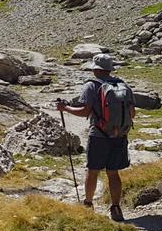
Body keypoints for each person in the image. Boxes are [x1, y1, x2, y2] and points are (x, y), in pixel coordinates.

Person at [57, 53, 135, 222]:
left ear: (96, 69)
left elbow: (84, 111)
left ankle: (88, 204)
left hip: (99, 135)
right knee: (113, 173)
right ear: (109, 68)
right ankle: (116, 208)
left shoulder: (91, 86)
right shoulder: (122, 85)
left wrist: (65, 108)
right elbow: (132, 113)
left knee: (92, 171)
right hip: (119, 135)